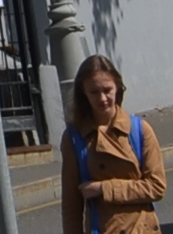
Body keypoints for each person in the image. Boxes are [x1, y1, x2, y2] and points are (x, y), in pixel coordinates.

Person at [60, 54, 163, 234]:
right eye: (94, 92)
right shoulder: (74, 138)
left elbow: (157, 187)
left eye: (107, 90)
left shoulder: (139, 130)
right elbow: (71, 205)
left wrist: (103, 188)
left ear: (118, 88)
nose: (102, 98)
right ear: (83, 92)